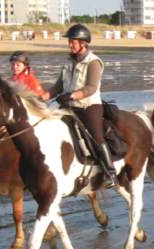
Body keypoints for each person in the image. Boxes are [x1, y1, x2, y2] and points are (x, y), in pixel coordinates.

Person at [45, 23, 118, 188]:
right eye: (69, 41)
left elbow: (91, 88)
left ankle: (110, 173)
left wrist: (71, 95)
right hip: (69, 107)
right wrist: (40, 97)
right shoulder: (68, 62)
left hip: (88, 106)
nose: (70, 44)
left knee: (96, 136)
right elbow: (57, 87)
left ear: (84, 43)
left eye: (73, 41)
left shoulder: (94, 62)